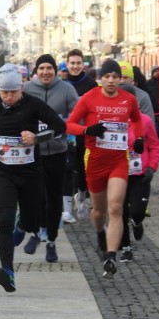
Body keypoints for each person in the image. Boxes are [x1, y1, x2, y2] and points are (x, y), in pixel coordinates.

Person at [0, 64, 66, 292]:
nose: (9, 96)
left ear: (21, 88)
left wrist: (38, 137)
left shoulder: (33, 104)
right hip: (2, 170)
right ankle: (7, 271)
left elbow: (59, 126)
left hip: (30, 173)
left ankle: (25, 225)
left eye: (13, 92)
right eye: (5, 92)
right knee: (4, 219)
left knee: (31, 221)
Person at [66, 59, 144, 278]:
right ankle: (100, 233)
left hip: (119, 159)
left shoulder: (128, 99)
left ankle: (111, 255)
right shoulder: (90, 98)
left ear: (120, 79)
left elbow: (137, 121)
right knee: (99, 211)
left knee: (116, 207)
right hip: (95, 159)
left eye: (115, 76)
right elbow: (69, 124)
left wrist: (139, 138)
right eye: (107, 76)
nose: (111, 80)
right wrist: (87, 130)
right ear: (100, 79)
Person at [22, 54, 79, 260]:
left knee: (53, 199)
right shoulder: (28, 89)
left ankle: (52, 240)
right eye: (41, 68)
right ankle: (37, 232)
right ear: (36, 71)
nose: (45, 72)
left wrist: (64, 126)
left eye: (49, 68)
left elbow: (77, 113)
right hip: (33, 153)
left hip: (57, 150)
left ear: (55, 70)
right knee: (36, 196)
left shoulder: (66, 89)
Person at [117, 83, 159, 262]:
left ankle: (137, 222)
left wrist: (152, 167)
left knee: (136, 211)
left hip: (140, 174)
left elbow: (155, 145)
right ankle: (126, 248)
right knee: (120, 211)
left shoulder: (145, 121)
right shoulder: (111, 122)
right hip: (118, 174)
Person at [64, 49, 98, 220]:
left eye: (78, 63)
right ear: (67, 64)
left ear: (83, 65)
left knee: (84, 168)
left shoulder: (91, 85)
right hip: (68, 134)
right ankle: (67, 207)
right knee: (69, 168)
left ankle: (82, 195)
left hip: (86, 133)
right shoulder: (62, 84)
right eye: (72, 63)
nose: (75, 67)